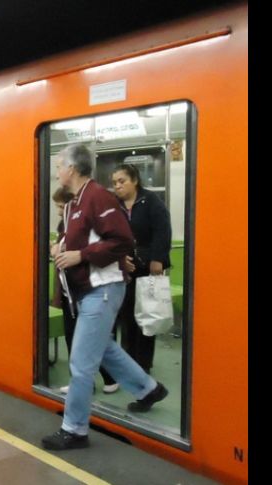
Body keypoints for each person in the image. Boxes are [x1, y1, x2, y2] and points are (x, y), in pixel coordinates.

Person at [42, 144, 167, 451]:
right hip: (86, 291)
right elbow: (75, 239)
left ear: (72, 169)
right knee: (105, 349)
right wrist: (60, 247)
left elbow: (122, 240)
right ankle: (148, 389)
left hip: (103, 289)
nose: (57, 172)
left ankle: (74, 429)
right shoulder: (74, 203)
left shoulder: (98, 197)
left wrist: (80, 255)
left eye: (59, 166)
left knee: (81, 362)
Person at [50, 187, 118, 394]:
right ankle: (84, 381)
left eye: (61, 206)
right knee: (75, 336)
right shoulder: (64, 223)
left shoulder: (85, 224)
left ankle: (108, 378)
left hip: (84, 288)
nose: (59, 211)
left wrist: (63, 250)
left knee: (89, 338)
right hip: (69, 288)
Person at [111, 163, 172, 373]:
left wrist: (158, 259)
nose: (117, 186)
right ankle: (128, 361)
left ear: (135, 180)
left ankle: (143, 363)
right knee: (127, 316)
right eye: (114, 183)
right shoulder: (114, 205)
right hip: (124, 268)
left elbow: (162, 231)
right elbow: (110, 235)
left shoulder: (150, 200)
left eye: (122, 181)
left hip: (147, 267)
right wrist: (120, 259)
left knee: (146, 314)